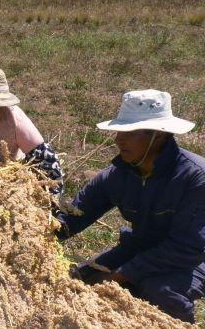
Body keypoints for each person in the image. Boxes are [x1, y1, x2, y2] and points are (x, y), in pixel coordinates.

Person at [56, 89, 205, 323]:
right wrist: (38, 232)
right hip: (141, 247)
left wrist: (122, 275)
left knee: (160, 291)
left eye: (129, 133)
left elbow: (186, 248)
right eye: (119, 131)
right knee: (81, 279)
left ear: (158, 135)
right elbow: (75, 215)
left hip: (190, 258)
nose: (118, 140)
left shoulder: (195, 177)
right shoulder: (118, 175)